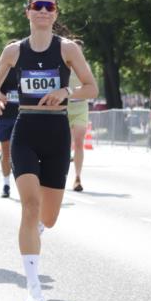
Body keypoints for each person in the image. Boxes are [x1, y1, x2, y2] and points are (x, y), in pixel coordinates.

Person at [0, 0, 97, 301]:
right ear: (28, 11)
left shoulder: (68, 49)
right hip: (26, 129)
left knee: (49, 216)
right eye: (38, 5)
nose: (44, 10)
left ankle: (36, 231)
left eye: (50, 6)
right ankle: (34, 287)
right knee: (29, 206)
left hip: (57, 133)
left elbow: (91, 87)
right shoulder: (13, 51)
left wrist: (66, 91)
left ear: (56, 13)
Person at [0, 59, 19, 198]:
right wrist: (0, 95)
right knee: (6, 152)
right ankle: (6, 184)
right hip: (5, 117)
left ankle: (23, 184)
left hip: (23, 116)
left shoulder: (25, 68)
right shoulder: (2, 70)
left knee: (21, 152)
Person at [67, 39, 90, 192]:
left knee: (79, 141)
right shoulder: (62, 65)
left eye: (80, 51)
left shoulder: (85, 67)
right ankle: (61, 174)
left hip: (80, 108)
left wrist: (79, 90)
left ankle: (77, 177)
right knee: (65, 143)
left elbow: (90, 87)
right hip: (64, 108)